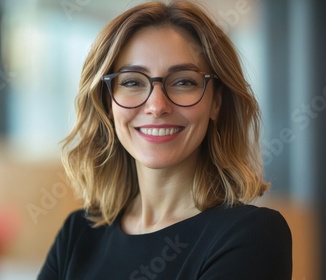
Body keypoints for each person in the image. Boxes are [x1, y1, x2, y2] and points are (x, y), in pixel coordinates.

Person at [38, 1, 292, 279]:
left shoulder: (251, 235)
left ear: (216, 102)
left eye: (183, 82)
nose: (157, 106)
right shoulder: (78, 234)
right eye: (132, 82)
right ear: (107, 103)